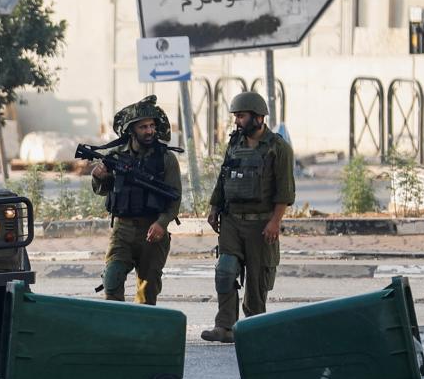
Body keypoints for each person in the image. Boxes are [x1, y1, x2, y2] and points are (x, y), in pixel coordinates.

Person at [200, 91, 295, 344]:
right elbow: (224, 177)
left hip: (261, 223)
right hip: (232, 220)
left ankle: (253, 327)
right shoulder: (235, 143)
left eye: (241, 116)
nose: (237, 121)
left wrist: (275, 222)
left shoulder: (278, 148)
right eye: (236, 116)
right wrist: (214, 207)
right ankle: (225, 326)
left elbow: (285, 191)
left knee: (256, 281)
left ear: (258, 117)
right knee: (225, 271)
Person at [90, 95, 182, 305]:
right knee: (112, 279)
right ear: (131, 130)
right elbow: (103, 190)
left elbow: (175, 198)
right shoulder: (115, 155)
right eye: (143, 127)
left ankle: (142, 326)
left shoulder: (166, 159)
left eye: (152, 126)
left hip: (152, 231)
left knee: (147, 292)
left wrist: (162, 223)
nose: (149, 131)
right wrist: (98, 177)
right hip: (122, 229)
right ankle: (116, 324)